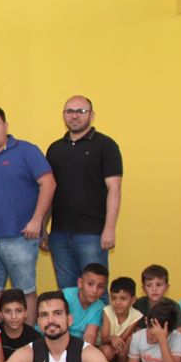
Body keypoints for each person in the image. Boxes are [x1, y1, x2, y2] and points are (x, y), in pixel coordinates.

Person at [0, 106, 54, 322]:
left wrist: (37, 221)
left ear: (5, 126)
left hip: (21, 236)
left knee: (25, 291)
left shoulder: (27, 151)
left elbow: (49, 184)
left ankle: (30, 338)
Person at [44, 96, 123, 289]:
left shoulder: (106, 145)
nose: (74, 116)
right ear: (63, 115)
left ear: (91, 115)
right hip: (59, 234)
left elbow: (114, 189)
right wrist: (43, 228)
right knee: (67, 292)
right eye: (69, 111)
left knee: (95, 291)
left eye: (81, 111)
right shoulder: (55, 149)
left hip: (93, 234)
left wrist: (109, 229)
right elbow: (49, 191)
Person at [99, 277, 143, 362]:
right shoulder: (107, 311)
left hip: (122, 347)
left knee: (124, 349)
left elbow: (123, 338)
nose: (117, 302)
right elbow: (104, 339)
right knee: (107, 351)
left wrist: (118, 343)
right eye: (113, 298)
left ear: (133, 300)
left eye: (123, 299)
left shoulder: (137, 316)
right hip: (106, 346)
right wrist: (112, 338)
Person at [62, 263, 108, 345]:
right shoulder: (65, 297)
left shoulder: (99, 307)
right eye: (90, 284)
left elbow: (90, 335)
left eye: (100, 286)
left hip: (76, 345)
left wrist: (85, 350)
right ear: (80, 283)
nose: (94, 290)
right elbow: (57, 330)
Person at [134, 265, 181, 332]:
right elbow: (137, 332)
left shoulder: (173, 306)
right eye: (149, 285)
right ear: (143, 289)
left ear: (167, 287)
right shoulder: (139, 305)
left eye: (159, 285)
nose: (154, 289)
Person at [0, 288, 42, 362]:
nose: (13, 316)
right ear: (0, 314)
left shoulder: (35, 338)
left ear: (26, 313)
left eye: (19, 311)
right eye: (7, 311)